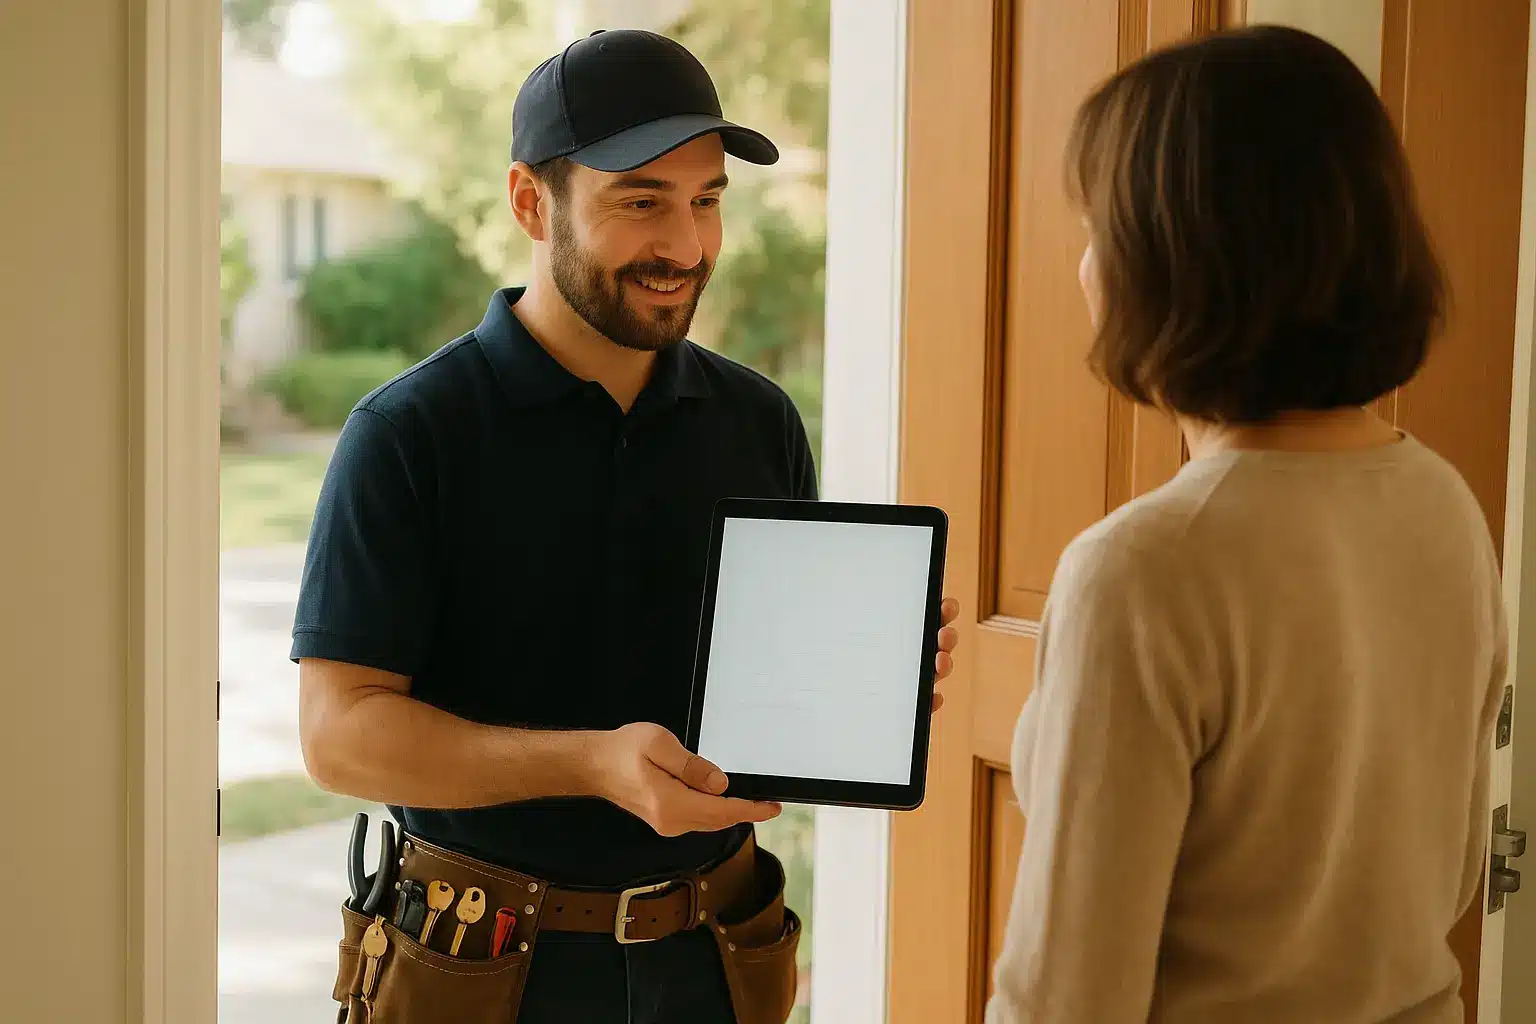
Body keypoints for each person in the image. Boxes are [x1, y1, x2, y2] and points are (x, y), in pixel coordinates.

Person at [294, 27, 958, 1024]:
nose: (685, 247)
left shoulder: (757, 419)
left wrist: (866, 681)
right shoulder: (409, 433)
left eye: (706, 201)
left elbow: (768, 687)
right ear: (531, 201)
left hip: (718, 954)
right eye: (641, 202)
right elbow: (338, 735)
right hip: (480, 968)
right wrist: (589, 763)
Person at [986, 25, 1505, 1024]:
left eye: (1099, 224)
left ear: (1172, 258)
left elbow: (1066, 996)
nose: (1085, 262)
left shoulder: (1143, 569)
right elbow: (1437, 886)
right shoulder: (1441, 499)